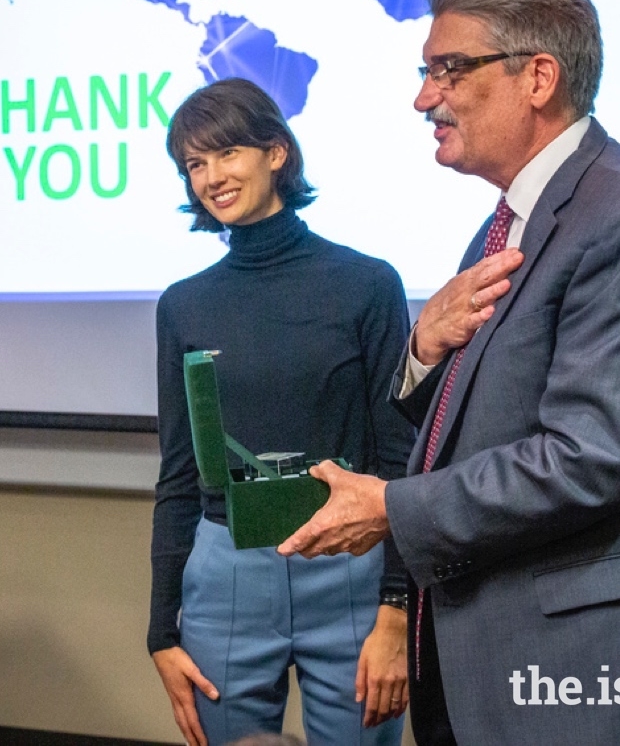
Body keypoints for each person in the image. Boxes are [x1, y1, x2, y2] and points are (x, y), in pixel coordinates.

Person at [278, 0, 620, 745]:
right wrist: (424, 349)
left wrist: (391, 508)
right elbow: (489, 415)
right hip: (497, 666)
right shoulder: (513, 222)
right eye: (426, 73)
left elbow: (589, 459)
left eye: (448, 71)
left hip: (592, 681)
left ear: (539, 77)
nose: (424, 98)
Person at [150, 77, 414, 746]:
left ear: (276, 153)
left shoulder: (367, 284)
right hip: (227, 576)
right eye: (194, 164)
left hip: (350, 571)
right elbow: (179, 473)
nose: (211, 177)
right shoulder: (183, 305)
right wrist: (160, 630)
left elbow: (399, 463)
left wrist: (397, 610)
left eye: (226, 153)